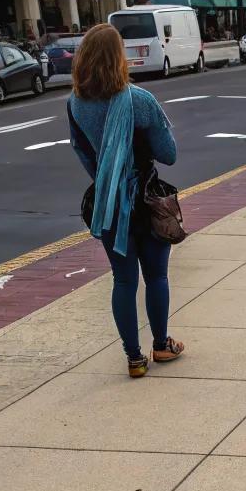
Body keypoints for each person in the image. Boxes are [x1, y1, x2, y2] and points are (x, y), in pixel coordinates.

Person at [67, 23, 182, 379]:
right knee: (157, 275)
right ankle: (161, 345)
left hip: (108, 205)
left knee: (123, 281)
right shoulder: (139, 100)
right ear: (119, 59)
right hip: (145, 201)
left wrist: (108, 176)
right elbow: (169, 154)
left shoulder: (76, 103)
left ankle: (133, 358)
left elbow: (84, 152)